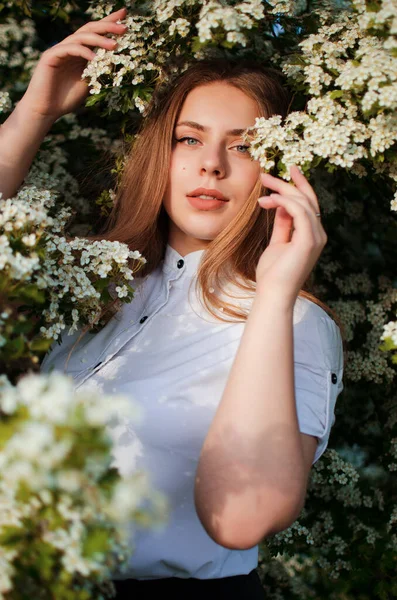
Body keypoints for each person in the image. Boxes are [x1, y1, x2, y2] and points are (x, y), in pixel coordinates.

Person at [0, 7, 345, 599]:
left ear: (281, 173)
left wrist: (275, 294)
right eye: (189, 138)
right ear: (160, 151)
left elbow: (240, 521)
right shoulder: (98, 278)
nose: (210, 163)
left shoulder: (290, 319)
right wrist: (35, 112)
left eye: (242, 146)